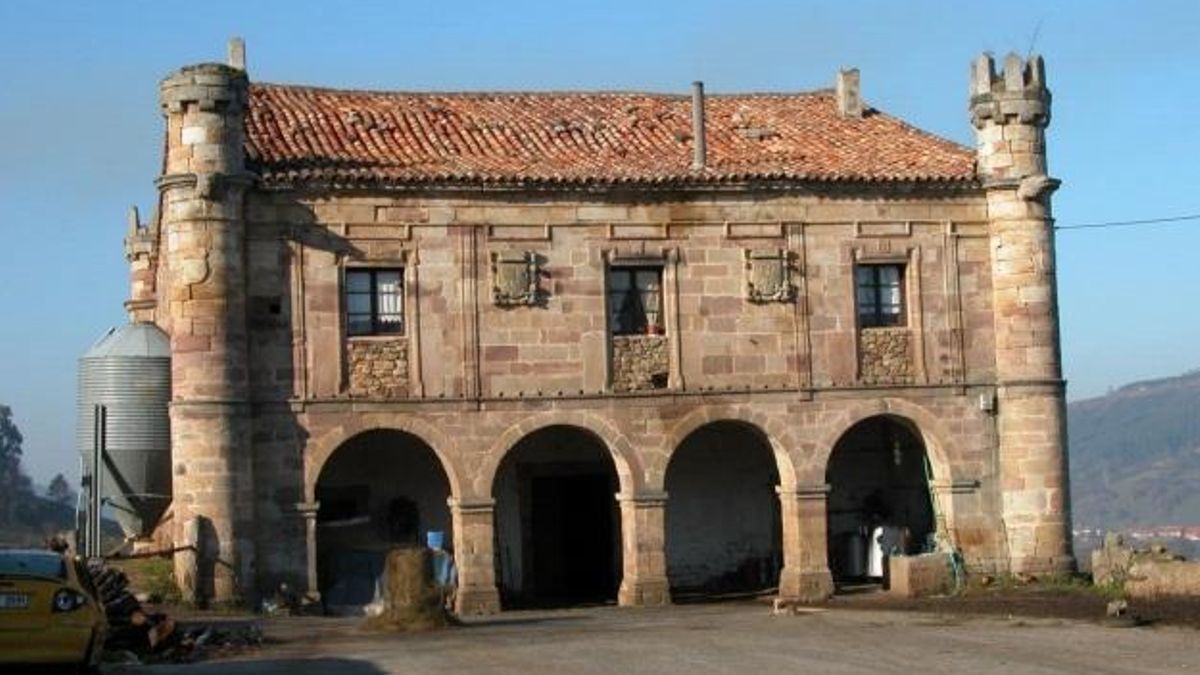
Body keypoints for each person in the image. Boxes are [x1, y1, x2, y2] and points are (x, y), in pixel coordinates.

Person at [426, 531, 457, 613]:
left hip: (432, 586)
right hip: (444, 585)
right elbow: (453, 573)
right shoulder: (447, 555)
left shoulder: (427, 556)